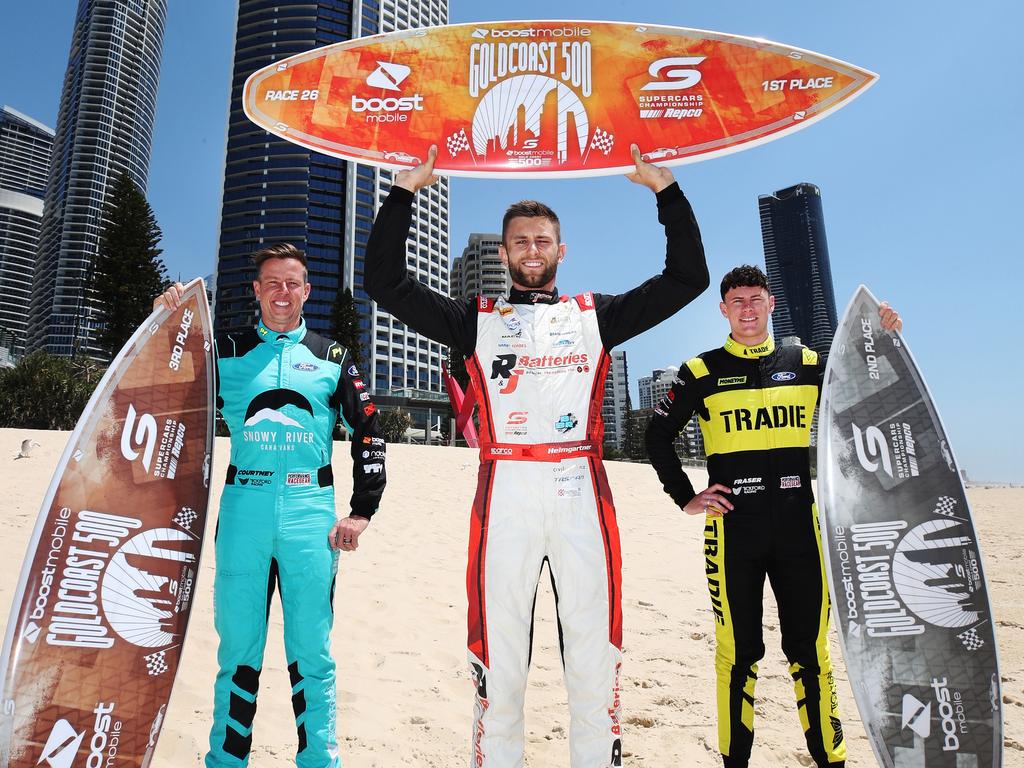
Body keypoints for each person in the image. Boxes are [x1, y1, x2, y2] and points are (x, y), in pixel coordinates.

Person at [365, 144, 709, 767]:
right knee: (499, 661)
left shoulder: (594, 316)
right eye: (519, 242)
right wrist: (402, 193)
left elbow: (687, 279)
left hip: (581, 487)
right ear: (503, 254)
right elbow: (386, 283)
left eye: (542, 241)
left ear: (561, 250)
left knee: (592, 655)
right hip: (506, 490)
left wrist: (668, 192)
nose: (531, 251)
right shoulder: (475, 319)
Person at [644, 264, 902, 768]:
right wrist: (686, 497)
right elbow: (657, 436)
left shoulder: (807, 363)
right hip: (731, 531)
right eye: (736, 300)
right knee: (737, 655)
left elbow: (867, 394)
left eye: (755, 298)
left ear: (770, 304)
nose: (746, 308)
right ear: (723, 309)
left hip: (799, 529)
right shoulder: (701, 372)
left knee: (811, 652)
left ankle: (832, 760)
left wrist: (884, 333)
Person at [155, 243, 386, 768]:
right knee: (237, 651)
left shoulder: (332, 357)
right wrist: (165, 323)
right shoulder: (226, 351)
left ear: (307, 291)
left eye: (293, 284)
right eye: (272, 283)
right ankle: (227, 761)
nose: (283, 293)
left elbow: (369, 431)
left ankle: (319, 761)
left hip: (311, 515)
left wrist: (361, 511)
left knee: (312, 653)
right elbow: (168, 394)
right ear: (256, 291)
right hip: (244, 514)